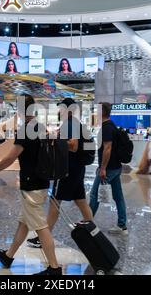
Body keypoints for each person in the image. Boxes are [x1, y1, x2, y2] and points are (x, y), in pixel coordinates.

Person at [0, 94, 62, 275]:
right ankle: (8, 256)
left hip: (31, 184)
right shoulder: (41, 128)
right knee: (24, 223)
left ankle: (54, 268)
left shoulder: (26, 130)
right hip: (41, 181)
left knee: (41, 228)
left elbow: (11, 157)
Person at [27, 98, 93, 248]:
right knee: (81, 201)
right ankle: (93, 231)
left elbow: (73, 145)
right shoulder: (75, 123)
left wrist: (54, 137)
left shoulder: (69, 123)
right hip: (77, 168)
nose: (59, 111)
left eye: (61, 108)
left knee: (54, 202)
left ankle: (44, 238)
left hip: (67, 169)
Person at [89, 102, 128, 235]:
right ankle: (122, 225)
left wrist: (103, 168)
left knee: (94, 194)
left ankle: (87, 223)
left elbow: (108, 148)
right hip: (116, 167)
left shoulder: (106, 127)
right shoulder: (112, 126)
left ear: (101, 112)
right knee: (118, 196)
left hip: (109, 168)